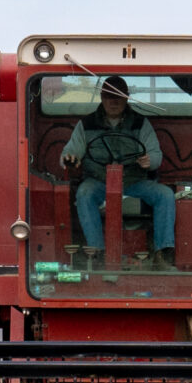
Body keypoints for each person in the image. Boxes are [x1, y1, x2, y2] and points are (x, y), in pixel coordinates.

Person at [62, 76, 176, 265]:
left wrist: (150, 161)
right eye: (109, 96)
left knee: (164, 194)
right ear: (101, 97)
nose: (113, 101)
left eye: (118, 97)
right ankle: (97, 253)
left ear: (126, 98)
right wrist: (70, 159)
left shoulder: (141, 124)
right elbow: (70, 152)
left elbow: (155, 154)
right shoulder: (86, 124)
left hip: (134, 182)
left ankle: (163, 252)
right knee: (84, 193)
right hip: (98, 181)